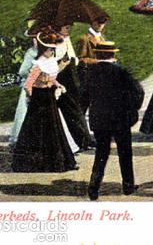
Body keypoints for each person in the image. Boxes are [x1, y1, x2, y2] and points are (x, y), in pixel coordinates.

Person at [85, 41, 145, 201]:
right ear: (113, 54)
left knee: (101, 154)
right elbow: (139, 91)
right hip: (120, 119)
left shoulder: (90, 72)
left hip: (99, 119)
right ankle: (128, 186)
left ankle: (93, 186)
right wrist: (132, 108)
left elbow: (83, 97)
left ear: (97, 54)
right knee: (125, 153)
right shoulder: (121, 71)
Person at [12, 32, 78, 172]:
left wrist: (58, 85)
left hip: (49, 97)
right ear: (43, 50)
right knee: (37, 129)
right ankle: (35, 162)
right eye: (50, 50)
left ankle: (59, 161)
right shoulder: (38, 64)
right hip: (39, 99)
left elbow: (51, 77)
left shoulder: (50, 62)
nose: (52, 52)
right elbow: (28, 84)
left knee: (54, 127)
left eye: (53, 49)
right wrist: (31, 97)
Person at [55, 22, 94, 150]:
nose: (69, 29)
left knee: (76, 110)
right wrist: (64, 64)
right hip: (62, 80)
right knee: (71, 111)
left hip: (72, 78)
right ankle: (81, 141)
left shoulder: (66, 39)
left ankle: (85, 139)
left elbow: (74, 58)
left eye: (70, 26)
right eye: (66, 26)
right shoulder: (57, 41)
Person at [10, 21, 41, 147]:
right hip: (34, 86)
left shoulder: (38, 53)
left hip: (37, 86)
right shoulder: (34, 53)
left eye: (37, 39)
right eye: (33, 39)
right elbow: (22, 71)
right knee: (25, 113)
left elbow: (23, 71)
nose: (35, 42)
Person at [76, 15, 109, 114]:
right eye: (98, 22)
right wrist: (98, 61)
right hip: (88, 75)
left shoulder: (103, 38)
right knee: (83, 103)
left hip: (100, 75)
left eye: (102, 23)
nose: (100, 25)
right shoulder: (84, 39)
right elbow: (81, 59)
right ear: (92, 22)